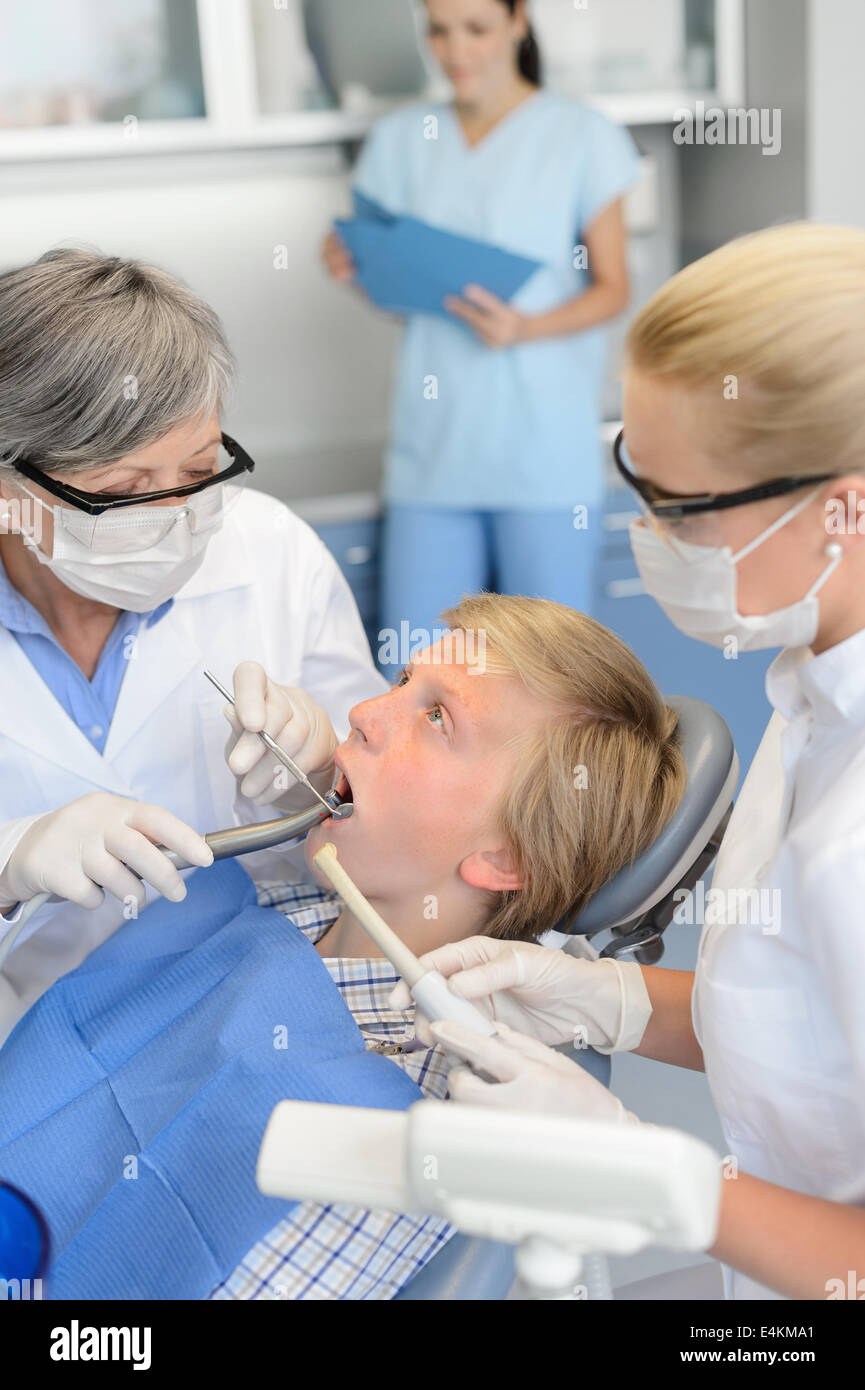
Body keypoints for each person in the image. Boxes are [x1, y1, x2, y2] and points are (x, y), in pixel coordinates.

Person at [408, 223, 865, 1301]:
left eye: (682, 507)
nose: (644, 530)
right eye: (633, 475)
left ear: (842, 505)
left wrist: (649, 1168)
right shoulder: (813, 684)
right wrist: (606, 999)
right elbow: (807, 1030)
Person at [0, 593, 686, 1299]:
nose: (360, 712)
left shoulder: (386, 1138)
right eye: (401, 683)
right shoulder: (248, 897)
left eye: (436, 717)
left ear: (505, 857)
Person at [0, 248, 386, 1042]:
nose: (178, 517)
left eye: (201, 469)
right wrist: (13, 858)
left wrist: (322, 778)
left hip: (240, 1020)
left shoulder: (272, 551)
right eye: (122, 493)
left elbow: (396, 841)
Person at [322, 0, 640, 674]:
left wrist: (526, 327)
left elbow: (613, 286)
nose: (454, 50)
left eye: (475, 29)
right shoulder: (401, 139)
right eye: (438, 31)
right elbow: (408, 297)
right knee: (414, 676)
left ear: (518, 21)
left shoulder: (581, 136)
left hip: (543, 462)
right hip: (432, 460)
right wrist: (359, 270)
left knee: (552, 690)